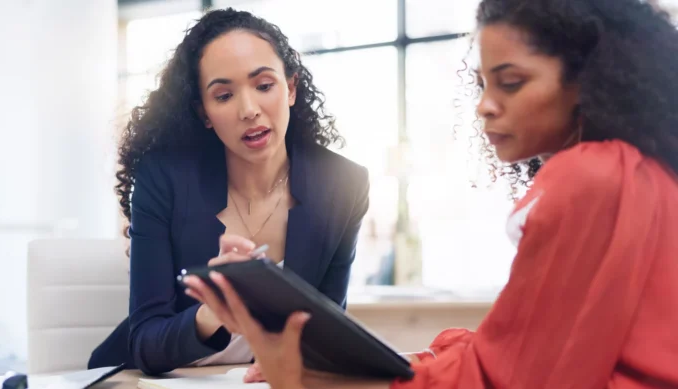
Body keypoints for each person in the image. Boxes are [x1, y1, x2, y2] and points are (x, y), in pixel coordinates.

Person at [184, 0, 678, 387]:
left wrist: (321, 381)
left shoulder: (589, 177)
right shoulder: (638, 171)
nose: (484, 106)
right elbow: (526, 346)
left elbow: (520, 374)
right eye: (483, 83)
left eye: (510, 83)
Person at [88, 7, 370, 378]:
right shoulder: (163, 179)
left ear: (291, 88)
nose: (249, 110)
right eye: (223, 95)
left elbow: (326, 333)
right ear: (204, 112)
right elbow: (145, 341)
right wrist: (212, 312)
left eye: (264, 86)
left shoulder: (343, 185)